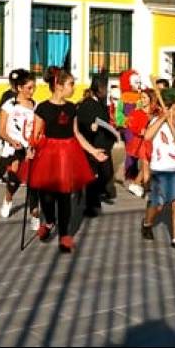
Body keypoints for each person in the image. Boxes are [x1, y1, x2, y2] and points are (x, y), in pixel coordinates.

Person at [29, 67, 104, 253]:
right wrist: (31, 148)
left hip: (67, 155)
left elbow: (77, 133)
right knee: (46, 195)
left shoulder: (72, 108)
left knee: (64, 196)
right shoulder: (43, 108)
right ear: (59, 86)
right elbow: (36, 134)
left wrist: (93, 151)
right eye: (71, 84)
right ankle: (49, 221)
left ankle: (65, 235)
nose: (74, 88)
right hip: (47, 155)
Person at [140, 87, 175, 252]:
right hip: (160, 169)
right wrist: (163, 118)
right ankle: (147, 223)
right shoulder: (157, 121)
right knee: (159, 205)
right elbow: (147, 136)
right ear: (172, 106)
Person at [0, 70, 39, 229]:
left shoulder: (36, 106)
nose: (32, 91)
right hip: (14, 147)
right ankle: (8, 198)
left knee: (34, 182)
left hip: (31, 147)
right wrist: (11, 141)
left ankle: (34, 213)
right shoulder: (9, 105)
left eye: (34, 87)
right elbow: (1, 131)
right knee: (14, 178)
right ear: (20, 87)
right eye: (29, 88)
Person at [77, 72, 118, 218]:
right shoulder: (87, 104)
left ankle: (94, 198)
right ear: (98, 88)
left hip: (103, 144)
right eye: (104, 88)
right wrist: (90, 126)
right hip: (93, 145)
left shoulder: (101, 103)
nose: (106, 91)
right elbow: (82, 122)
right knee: (93, 176)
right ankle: (91, 206)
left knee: (106, 174)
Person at [124, 88, 159, 198]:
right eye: (141, 97)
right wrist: (140, 131)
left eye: (144, 97)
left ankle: (135, 184)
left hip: (154, 142)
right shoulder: (137, 112)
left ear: (150, 98)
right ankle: (147, 189)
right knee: (146, 164)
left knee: (148, 165)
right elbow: (132, 126)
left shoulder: (156, 113)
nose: (142, 100)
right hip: (143, 142)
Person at [0, 69, 24, 184]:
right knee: (7, 153)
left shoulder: (22, 95)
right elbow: (1, 111)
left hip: (19, 129)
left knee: (16, 153)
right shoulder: (7, 95)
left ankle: (14, 174)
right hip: (8, 129)